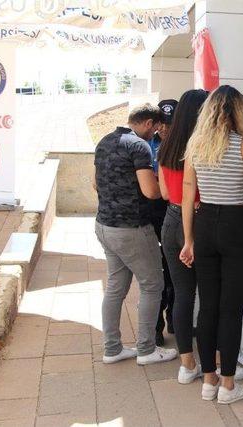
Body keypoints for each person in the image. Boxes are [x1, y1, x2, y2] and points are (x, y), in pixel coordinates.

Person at [179, 85, 243, 404]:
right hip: (236, 227)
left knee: (207, 306)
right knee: (230, 309)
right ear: (238, 112)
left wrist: (188, 239)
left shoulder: (196, 145)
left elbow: (188, 196)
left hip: (204, 225)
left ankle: (208, 381)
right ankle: (228, 386)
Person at [94, 104, 178, 365]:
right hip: (132, 229)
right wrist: (157, 178)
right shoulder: (138, 146)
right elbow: (151, 192)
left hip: (104, 225)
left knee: (115, 289)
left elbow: (96, 183)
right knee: (153, 285)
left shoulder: (105, 141)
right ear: (149, 123)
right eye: (155, 127)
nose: (156, 132)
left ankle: (112, 349)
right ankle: (146, 349)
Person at [157, 89, 209, 384]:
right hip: (197, 223)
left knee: (183, 295)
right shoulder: (201, 148)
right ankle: (212, 360)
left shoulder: (164, 146)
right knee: (208, 296)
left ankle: (186, 365)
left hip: (171, 221)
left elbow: (165, 193)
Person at [148, 99, 178, 346]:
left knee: (176, 270)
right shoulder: (146, 144)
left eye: (169, 123)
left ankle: (174, 318)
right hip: (154, 214)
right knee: (156, 274)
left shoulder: (186, 144)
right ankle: (156, 326)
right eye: (161, 123)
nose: (164, 128)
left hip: (178, 212)